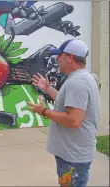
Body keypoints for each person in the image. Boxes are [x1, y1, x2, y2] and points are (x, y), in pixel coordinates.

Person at [28, 39, 101, 187]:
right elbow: (68, 104)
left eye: (60, 55)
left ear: (70, 57)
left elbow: (73, 120)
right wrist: (47, 88)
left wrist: (44, 111)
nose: (56, 59)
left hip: (73, 157)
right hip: (72, 155)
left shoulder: (78, 83)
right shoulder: (80, 78)